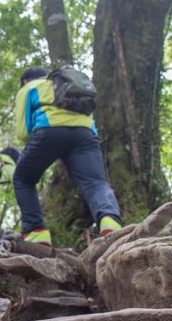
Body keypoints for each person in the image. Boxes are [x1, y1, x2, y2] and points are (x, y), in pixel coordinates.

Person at [12, 67, 121, 246]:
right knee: (95, 182)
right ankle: (110, 221)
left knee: (23, 178)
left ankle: (36, 232)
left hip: (49, 130)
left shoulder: (29, 88)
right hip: (85, 134)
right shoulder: (65, 85)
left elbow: (23, 132)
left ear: (24, 80)